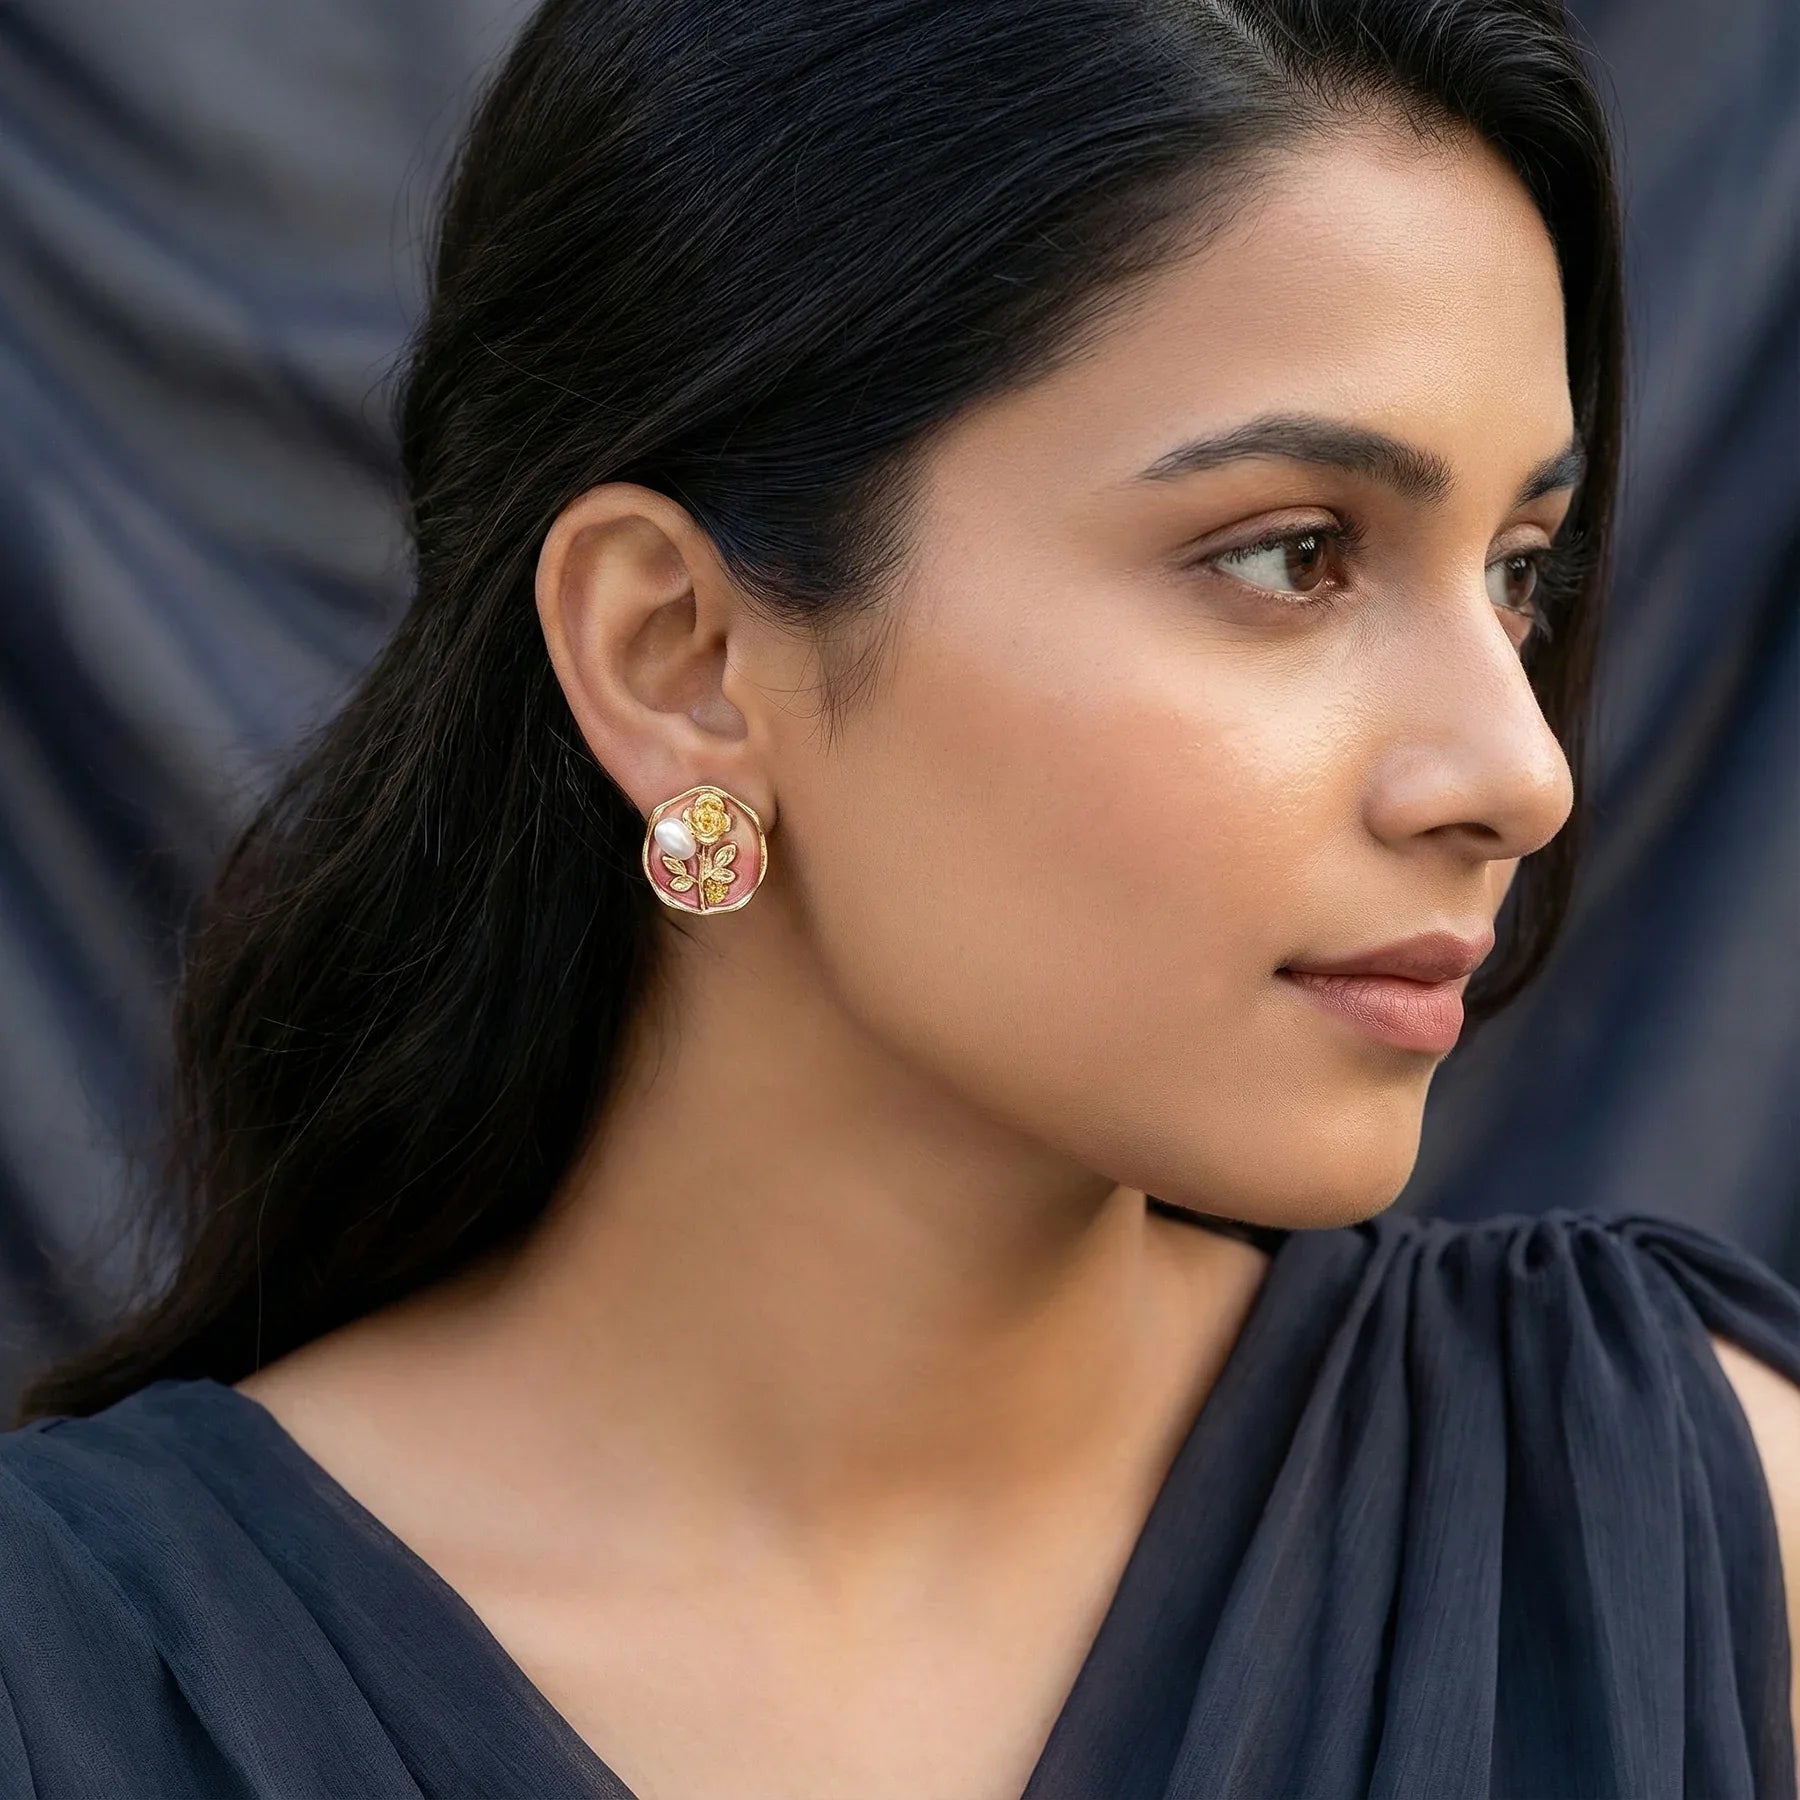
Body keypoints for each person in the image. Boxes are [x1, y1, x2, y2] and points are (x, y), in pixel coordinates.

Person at [2, 0, 1796, 1794]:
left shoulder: (1705, 1535)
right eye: (1292, 554)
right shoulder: (76, 1684)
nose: (1520, 773)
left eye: (1519, 573)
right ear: (681, 658)